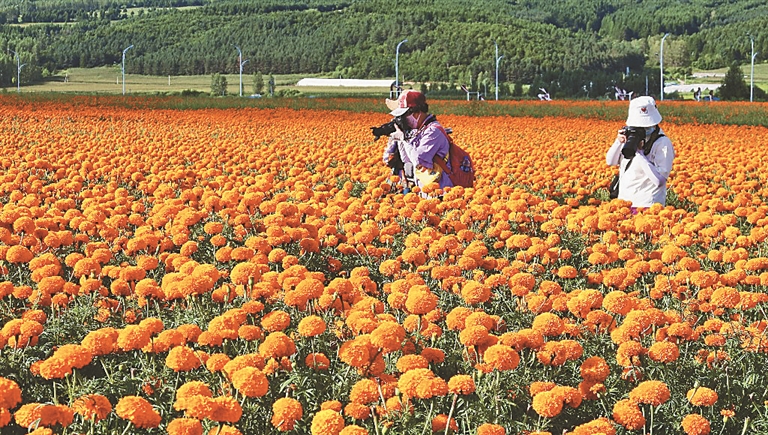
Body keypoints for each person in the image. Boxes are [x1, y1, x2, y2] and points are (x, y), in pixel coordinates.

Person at [606, 96, 675, 211]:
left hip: (648, 205)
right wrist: (618, 142)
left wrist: (640, 153)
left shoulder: (662, 143)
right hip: (625, 202)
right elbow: (610, 161)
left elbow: (659, 181)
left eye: (645, 127)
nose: (641, 130)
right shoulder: (629, 138)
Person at [382, 90, 453, 193]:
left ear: (416, 113)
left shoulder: (433, 131)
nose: (403, 119)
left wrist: (404, 138)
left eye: (404, 115)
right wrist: (399, 140)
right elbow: (407, 159)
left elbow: (418, 160)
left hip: (440, 190)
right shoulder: (419, 130)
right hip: (427, 189)